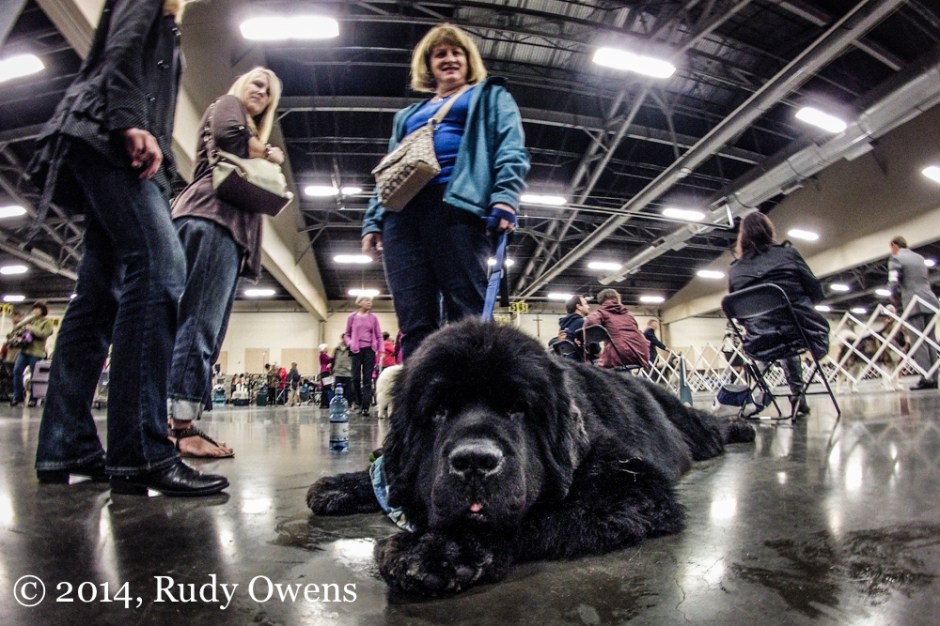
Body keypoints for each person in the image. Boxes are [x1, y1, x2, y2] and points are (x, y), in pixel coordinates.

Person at [28, 0, 227, 495]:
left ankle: (66, 443)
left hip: (109, 137)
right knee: (161, 272)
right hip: (107, 136)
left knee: (98, 296)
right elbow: (119, 51)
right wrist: (129, 120)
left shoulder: (172, 23)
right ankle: (140, 451)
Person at [361, 23, 530, 360]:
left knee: (466, 311)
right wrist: (373, 220)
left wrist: (506, 195)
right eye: (440, 54)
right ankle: (418, 405)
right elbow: (388, 169)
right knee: (414, 319)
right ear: (429, 64)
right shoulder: (407, 116)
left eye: (457, 53)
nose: (449, 59)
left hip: (457, 208)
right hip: (402, 216)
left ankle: (472, 402)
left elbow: (511, 147)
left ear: (469, 61)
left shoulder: (490, 95)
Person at [167, 67, 284, 457]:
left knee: (199, 325)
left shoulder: (246, 123)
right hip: (211, 218)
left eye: (268, 92)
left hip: (218, 225)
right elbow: (228, 136)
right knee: (200, 321)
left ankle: (176, 421)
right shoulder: (228, 106)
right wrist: (268, 152)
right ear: (240, 85)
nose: (261, 93)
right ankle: (180, 429)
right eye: (257, 84)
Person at [728, 211, 829, 417]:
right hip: (802, 333)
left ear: (742, 237)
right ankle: (797, 395)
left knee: (774, 329)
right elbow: (816, 293)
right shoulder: (788, 254)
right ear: (769, 230)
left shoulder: (735, 271)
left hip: (760, 341)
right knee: (788, 328)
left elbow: (740, 317)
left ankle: (762, 394)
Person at [888, 235, 939, 390]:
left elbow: (893, 281)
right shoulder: (919, 258)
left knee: (918, 342)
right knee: (930, 340)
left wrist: (893, 295)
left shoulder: (896, 258)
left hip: (913, 303)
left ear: (895, 246)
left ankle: (926, 377)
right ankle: (934, 377)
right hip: (930, 301)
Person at [583, 289, 650, 369]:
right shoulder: (629, 314)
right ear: (616, 299)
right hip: (641, 353)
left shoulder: (602, 313)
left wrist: (581, 337)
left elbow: (590, 321)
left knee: (594, 369)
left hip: (619, 354)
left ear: (601, 301)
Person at [7, 302, 55, 407]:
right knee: (17, 371)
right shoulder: (31, 320)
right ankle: (18, 396)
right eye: (34, 309)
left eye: (37, 309)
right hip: (25, 351)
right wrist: (21, 324)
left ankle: (33, 398)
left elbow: (43, 334)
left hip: (37, 353)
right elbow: (18, 327)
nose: (35, 311)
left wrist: (31, 328)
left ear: (42, 311)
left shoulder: (47, 323)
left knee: (35, 376)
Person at [345, 296, 382, 416]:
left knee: (367, 380)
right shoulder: (352, 317)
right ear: (360, 303)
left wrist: (381, 350)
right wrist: (350, 343)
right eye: (367, 301)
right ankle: (359, 402)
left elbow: (379, 335)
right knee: (355, 378)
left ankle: (365, 407)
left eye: (371, 301)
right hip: (356, 350)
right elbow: (347, 334)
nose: (370, 303)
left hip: (369, 350)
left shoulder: (373, 318)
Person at [550, 294, 591, 360]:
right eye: (586, 304)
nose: (588, 307)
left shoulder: (564, 323)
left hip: (565, 363)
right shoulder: (583, 323)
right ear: (579, 306)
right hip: (579, 365)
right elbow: (595, 349)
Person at [331, 335, 353, 399]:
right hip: (338, 372)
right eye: (344, 338)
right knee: (338, 389)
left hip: (347, 373)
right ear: (342, 339)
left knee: (348, 390)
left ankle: (348, 403)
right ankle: (338, 402)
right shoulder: (336, 349)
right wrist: (332, 370)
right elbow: (333, 360)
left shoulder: (351, 349)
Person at [318, 344, 332, 408]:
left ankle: (325, 403)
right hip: (325, 372)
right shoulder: (322, 355)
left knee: (326, 388)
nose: (327, 349)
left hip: (325, 372)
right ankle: (324, 403)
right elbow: (330, 359)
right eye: (326, 348)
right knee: (325, 388)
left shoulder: (322, 355)